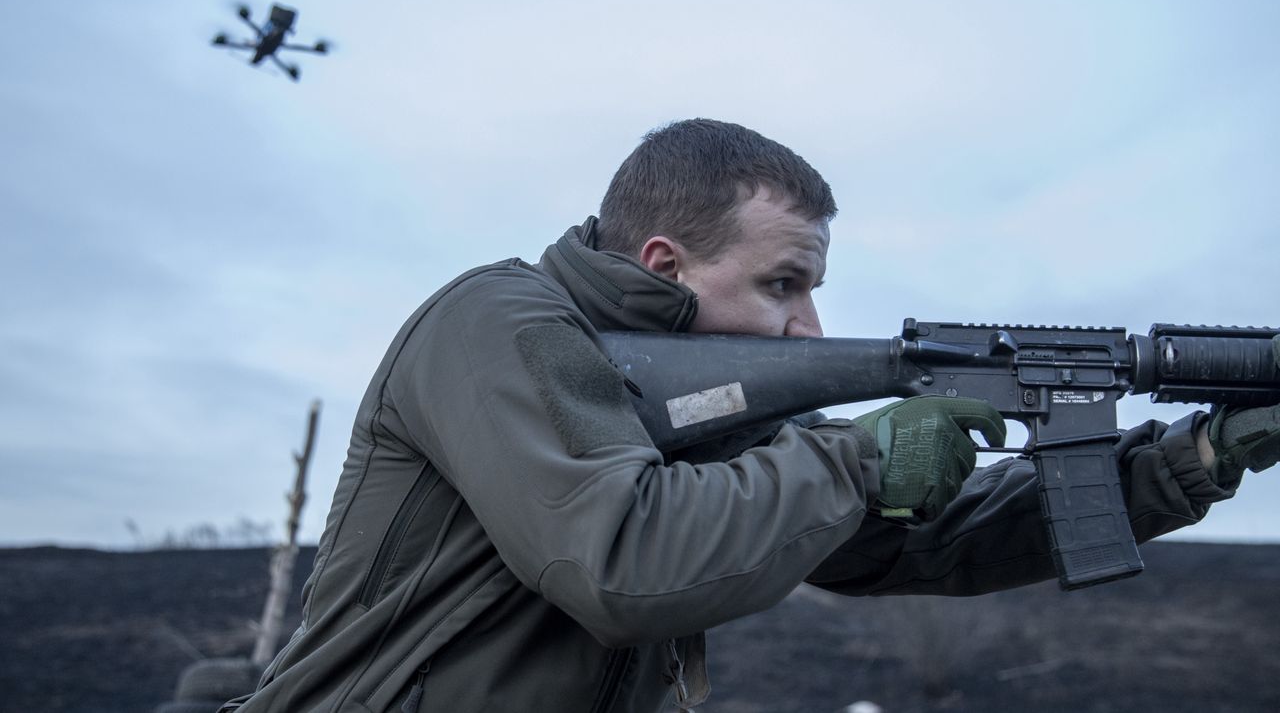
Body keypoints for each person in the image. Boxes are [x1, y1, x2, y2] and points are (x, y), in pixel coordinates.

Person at [223, 119, 1280, 713]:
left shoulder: (707, 421)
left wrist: (1185, 459)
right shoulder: (494, 322)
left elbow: (911, 548)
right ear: (663, 265)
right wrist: (862, 459)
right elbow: (625, 561)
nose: (807, 327)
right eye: (783, 284)